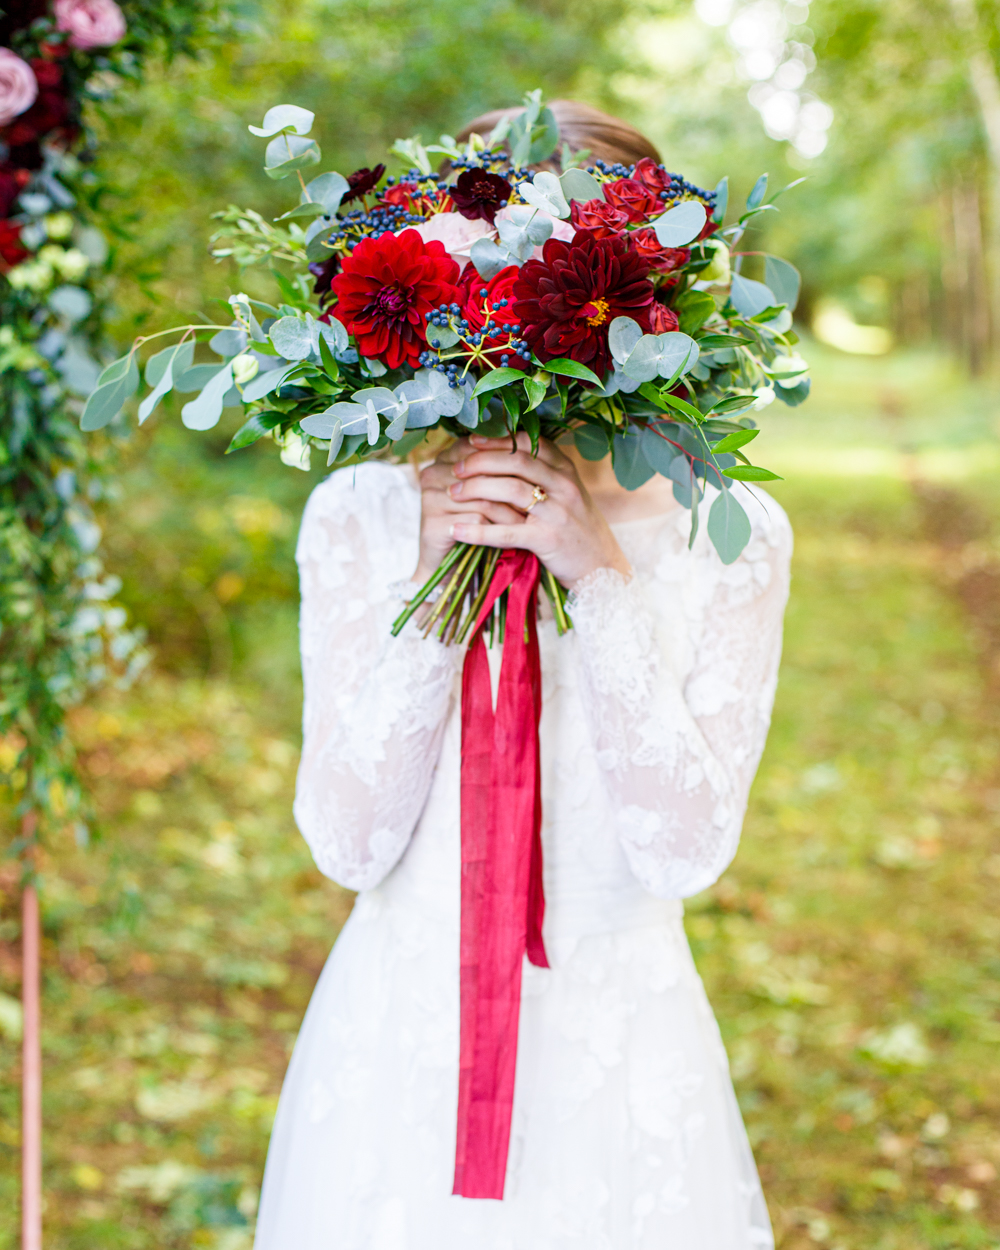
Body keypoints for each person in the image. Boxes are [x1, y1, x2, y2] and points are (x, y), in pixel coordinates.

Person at [253, 101, 792, 1250]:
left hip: (621, 1057)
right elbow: (346, 846)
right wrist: (444, 573)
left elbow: (682, 852)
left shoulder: (729, 529)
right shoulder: (360, 512)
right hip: (399, 1044)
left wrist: (595, 578)